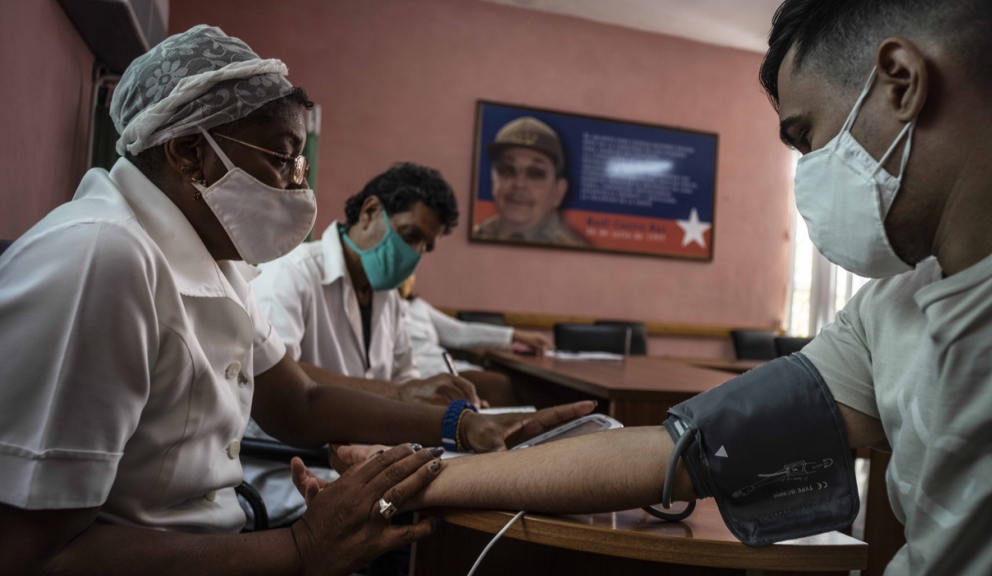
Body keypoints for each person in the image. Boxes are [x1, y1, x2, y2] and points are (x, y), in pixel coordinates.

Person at [312, 1, 992, 573]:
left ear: (899, 81)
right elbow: (681, 449)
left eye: (806, 137)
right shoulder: (887, 312)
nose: (806, 174)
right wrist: (416, 475)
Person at [0, 25, 593, 575]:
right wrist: (302, 548)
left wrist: (464, 427)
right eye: (282, 158)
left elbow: (299, 400)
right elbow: (35, 553)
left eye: (299, 161)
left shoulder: (216, 257)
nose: (298, 185)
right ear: (188, 152)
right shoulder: (104, 259)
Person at [243, 163, 479, 528]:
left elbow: (406, 379)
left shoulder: (389, 299)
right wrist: (406, 395)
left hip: (364, 467)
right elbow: (276, 377)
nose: (415, 253)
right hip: (292, 471)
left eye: (425, 246)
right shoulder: (291, 272)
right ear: (370, 212)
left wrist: (437, 401)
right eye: (410, 234)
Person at [397, 274, 553, 406]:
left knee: (525, 386)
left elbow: (460, 332)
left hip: (450, 367)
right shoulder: (381, 307)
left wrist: (517, 335)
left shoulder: (417, 306)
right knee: (502, 385)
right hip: (422, 375)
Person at [473, 116, 587, 246]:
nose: (519, 184)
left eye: (536, 173)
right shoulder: (475, 235)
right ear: (493, 180)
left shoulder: (574, 253)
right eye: (508, 169)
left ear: (559, 191)